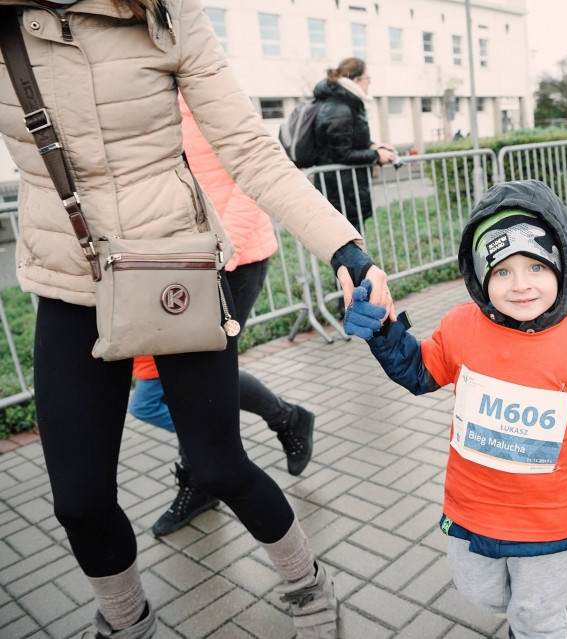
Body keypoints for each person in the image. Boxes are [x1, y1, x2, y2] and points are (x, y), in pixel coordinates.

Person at [0, 4, 395, 639]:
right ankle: (126, 621)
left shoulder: (164, 11)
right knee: (79, 501)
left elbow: (248, 149)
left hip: (174, 273)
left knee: (217, 464)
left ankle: (305, 581)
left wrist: (345, 249)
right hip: (68, 280)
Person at [343, 179, 567, 638]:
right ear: (481, 275)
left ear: (561, 266)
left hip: (547, 524)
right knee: (483, 595)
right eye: (502, 271)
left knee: (537, 617)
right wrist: (384, 331)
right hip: (472, 511)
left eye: (536, 267)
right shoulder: (462, 325)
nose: (520, 285)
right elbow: (420, 372)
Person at [129, 96, 317, 538]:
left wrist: (214, 253)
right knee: (163, 392)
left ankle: (205, 476)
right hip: (168, 266)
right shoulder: (134, 104)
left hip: (232, 261)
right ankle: (279, 422)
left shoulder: (208, 92)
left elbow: (251, 178)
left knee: (195, 382)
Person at [311, 57, 397, 234]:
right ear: (356, 80)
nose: (369, 84)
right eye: (368, 79)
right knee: (351, 250)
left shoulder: (345, 103)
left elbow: (351, 142)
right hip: (341, 192)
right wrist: (376, 156)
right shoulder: (339, 108)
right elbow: (342, 154)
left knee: (354, 247)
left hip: (347, 189)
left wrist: (374, 146)